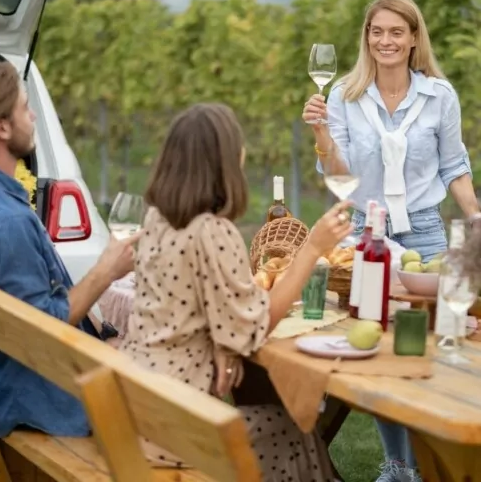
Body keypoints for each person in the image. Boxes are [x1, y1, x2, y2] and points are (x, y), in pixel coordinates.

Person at [118, 103, 351, 480]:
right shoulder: (213, 231)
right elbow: (257, 325)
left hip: (138, 406)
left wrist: (222, 342)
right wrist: (312, 248)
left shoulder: (157, 218)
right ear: (224, 161)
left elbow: (206, 308)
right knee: (293, 431)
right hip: (178, 428)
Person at [302, 0, 481, 481]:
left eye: (396, 32)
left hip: (425, 232)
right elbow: (337, 172)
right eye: (377, 31)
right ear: (367, 38)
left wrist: (478, 220)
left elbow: (455, 167)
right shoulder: (344, 95)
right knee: (382, 353)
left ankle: (437, 464)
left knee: (436, 349)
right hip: (367, 233)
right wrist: (320, 134)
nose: (386, 40)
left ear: (413, 38)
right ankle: (399, 467)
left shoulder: (439, 95)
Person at [0, 62, 139, 439]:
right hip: (52, 401)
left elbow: (31, 306)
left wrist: (103, 333)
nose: (31, 116)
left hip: (9, 380)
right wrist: (106, 271)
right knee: (190, 367)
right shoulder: (8, 222)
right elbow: (44, 325)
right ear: (1, 127)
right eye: (24, 107)